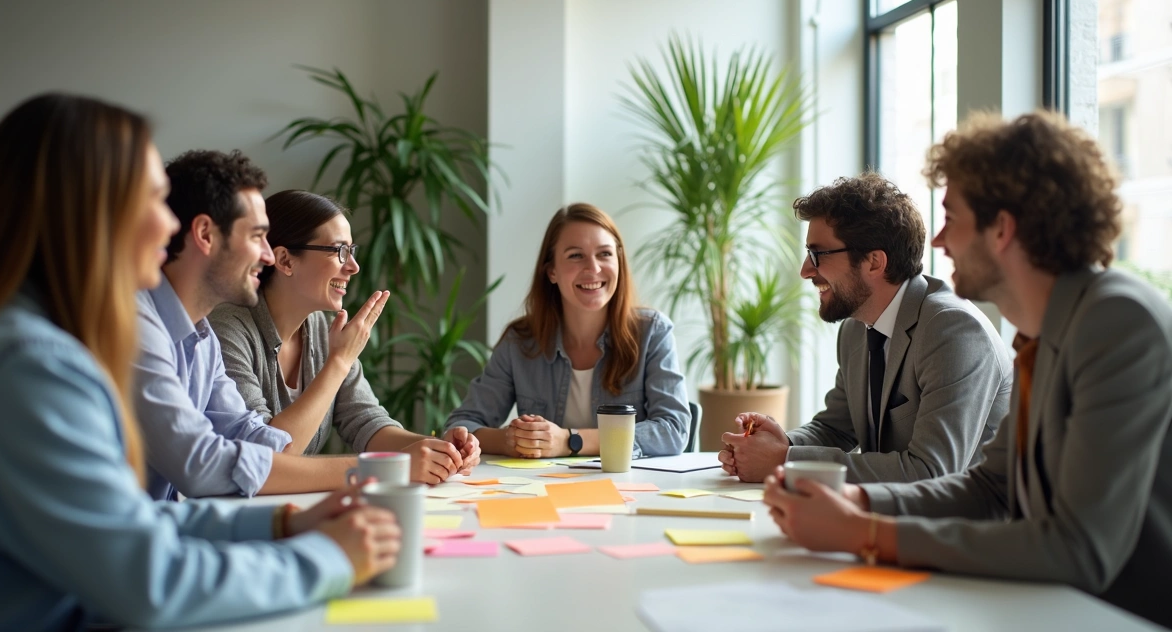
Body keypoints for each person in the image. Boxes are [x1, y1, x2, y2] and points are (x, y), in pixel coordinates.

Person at [0, 93, 400, 631]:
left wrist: (283, 525)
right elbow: (151, 582)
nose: (171, 226)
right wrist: (330, 558)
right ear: (90, 211)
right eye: (154, 200)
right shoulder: (34, 368)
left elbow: (134, 520)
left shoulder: (54, 342)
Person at [762, 111, 1172, 629]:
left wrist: (862, 533)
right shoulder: (1045, 331)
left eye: (952, 217)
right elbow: (989, 489)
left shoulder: (1117, 321)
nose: (937, 242)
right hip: (1040, 605)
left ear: (1002, 228)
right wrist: (854, 498)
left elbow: (1079, 548)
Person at [133, 150, 401, 500]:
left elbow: (262, 445)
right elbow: (201, 465)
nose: (267, 254)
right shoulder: (138, 327)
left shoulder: (202, 338)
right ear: (205, 234)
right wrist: (370, 471)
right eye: (258, 236)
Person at [719, 173, 1011, 484]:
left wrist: (785, 461)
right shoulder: (856, 328)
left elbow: (931, 472)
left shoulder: (952, 329)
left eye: (817, 254)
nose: (805, 271)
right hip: (892, 518)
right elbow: (836, 429)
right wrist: (778, 444)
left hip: (963, 527)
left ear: (874, 262)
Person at [208, 189, 480, 484]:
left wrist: (438, 450)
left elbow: (366, 421)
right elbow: (266, 459)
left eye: (352, 251)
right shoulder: (227, 330)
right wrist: (339, 362)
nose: (353, 266)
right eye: (339, 251)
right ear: (285, 260)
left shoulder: (323, 329)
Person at [444, 203, 689, 458]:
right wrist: (511, 440)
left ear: (619, 262)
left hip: (632, 490)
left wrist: (570, 440)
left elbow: (674, 430)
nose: (593, 268)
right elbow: (460, 426)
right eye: (575, 255)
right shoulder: (520, 342)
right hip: (544, 491)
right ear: (551, 271)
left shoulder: (652, 332)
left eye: (604, 254)